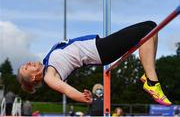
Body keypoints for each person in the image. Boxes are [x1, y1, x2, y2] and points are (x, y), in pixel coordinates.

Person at [17, 21, 171, 106]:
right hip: (101, 52)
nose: (28, 63)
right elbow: (67, 90)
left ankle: (148, 78)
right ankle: (152, 82)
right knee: (145, 32)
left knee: (151, 26)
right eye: (26, 67)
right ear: (31, 78)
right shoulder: (49, 76)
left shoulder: (47, 60)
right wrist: (83, 97)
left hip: (100, 44)